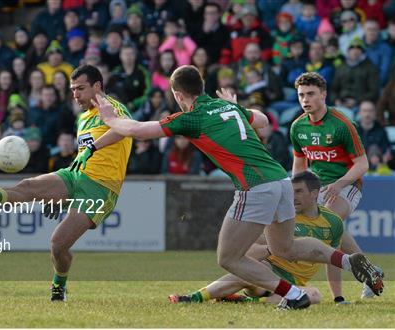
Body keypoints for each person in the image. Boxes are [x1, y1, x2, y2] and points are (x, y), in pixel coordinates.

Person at [95, 65, 383, 310]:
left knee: (228, 257)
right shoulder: (227, 106)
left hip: (255, 186)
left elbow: (137, 131)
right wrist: (236, 105)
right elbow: (263, 121)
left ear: (178, 95)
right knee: (284, 247)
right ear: (204, 86)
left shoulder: (190, 117)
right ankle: (346, 260)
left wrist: (109, 117)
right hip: (282, 181)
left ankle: (293, 295)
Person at [0, 65, 133, 301]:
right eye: (72, 89)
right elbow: (86, 154)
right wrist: (64, 195)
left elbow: (125, 130)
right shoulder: (83, 117)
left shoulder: (113, 108)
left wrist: (91, 148)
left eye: (80, 88)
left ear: (97, 86)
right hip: (75, 175)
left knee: (58, 245)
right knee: (28, 186)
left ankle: (59, 285)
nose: (75, 94)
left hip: (100, 188)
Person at [169, 172, 342, 306]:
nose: (293, 196)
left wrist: (339, 297)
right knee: (248, 272)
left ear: (314, 193)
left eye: (299, 191)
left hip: (295, 283)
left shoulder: (333, 222)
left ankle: (247, 302)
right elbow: (247, 253)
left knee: (314, 295)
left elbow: (333, 259)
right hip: (268, 271)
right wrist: (273, 248)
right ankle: (193, 298)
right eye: (291, 191)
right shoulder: (280, 216)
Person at [290, 72, 381, 301]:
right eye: (301, 95)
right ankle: (370, 271)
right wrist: (297, 192)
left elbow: (363, 164)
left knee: (329, 229)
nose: (305, 100)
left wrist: (339, 185)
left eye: (311, 94)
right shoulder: (297, 127)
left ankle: (338, 298)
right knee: (332, 229)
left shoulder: (342, 125)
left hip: (348, 184)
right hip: (318, 186)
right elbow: (300, 164)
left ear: (324, 94)